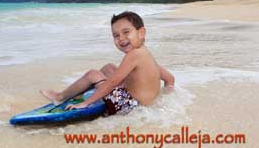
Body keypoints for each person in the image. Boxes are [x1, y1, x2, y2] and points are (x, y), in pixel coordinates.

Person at [40, 11, 175, 116]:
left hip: (129, 106)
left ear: (141, 32)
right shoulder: (145, 54)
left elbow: (113, 83)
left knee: (93, 74)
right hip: (139, 102)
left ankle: (60, 97)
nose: (121, 39)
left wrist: (86, 103)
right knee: (109, 67)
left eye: (126, 32)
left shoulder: (134, 55)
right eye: (116, 35)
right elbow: (170, 79)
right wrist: (162, 97)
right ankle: (79, 93)